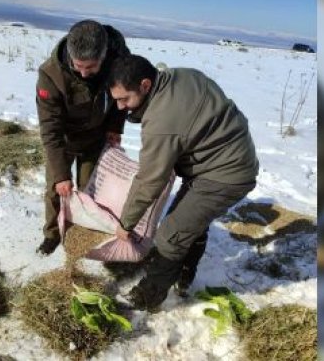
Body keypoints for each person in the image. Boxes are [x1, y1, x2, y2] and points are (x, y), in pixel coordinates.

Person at [107, 54, 259, 311]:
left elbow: (150, 179)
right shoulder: (180, 75)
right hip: (225, 158)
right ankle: (184, 276)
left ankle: (148, 297)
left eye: (125, 99)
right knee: (189, 222)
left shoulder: (161, 122)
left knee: (171, 235)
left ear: (145, 85)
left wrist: (126, 223)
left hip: (225, 173)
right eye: (116, 100)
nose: (121, 107)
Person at [35, 20, 130, 256]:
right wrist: (61, 175)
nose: (84, 73)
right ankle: (52, 234)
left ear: (104, 54)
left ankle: (81, 232)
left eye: (91, 66)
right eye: (79, 66)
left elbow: (123, 97)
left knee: (90, 190)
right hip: (64, 140)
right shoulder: (51, 75)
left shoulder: (119, 63)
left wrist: (115, 127)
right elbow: (50, 128)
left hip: (96, 137)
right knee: (57, 190)